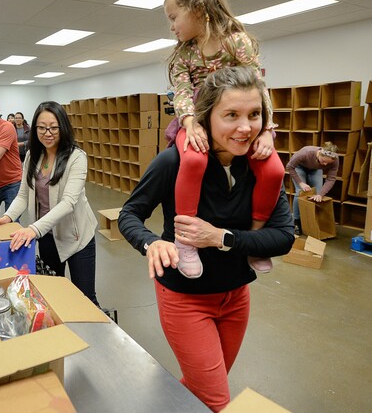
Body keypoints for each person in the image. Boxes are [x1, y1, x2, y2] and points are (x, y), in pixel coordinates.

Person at [118, 67, 294, 412]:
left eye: (254, 115)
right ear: (206, 117)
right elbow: (129, 214)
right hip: (185, 298)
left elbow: (283, 238)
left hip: (236, 296)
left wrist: (220, 238)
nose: (245, 127)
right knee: (215, 398)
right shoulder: (173, 161)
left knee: (201, 389)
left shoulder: (261, 168)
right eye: (231, 115)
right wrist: (150, 242)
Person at [164, 0, 284, 277]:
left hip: (236, 123)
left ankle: (256, 238)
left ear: (198, 11)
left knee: (273, 169)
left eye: (174, 16)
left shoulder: (236, 43)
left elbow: (259, 87)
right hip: (194, 122)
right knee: (192, 160)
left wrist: (267, 130)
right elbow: (180, 92)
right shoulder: (183, 54)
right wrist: (190, 122)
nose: (172, 26)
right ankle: (186, 241)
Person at [0, 102, 100, 306]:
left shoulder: (76, 157)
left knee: (86, 299)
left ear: (63, 127)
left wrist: (33, 229)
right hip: (47, 237)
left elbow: (68, 202)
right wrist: (8, 217)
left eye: (53, 127)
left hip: (77, 238)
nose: (47, 133)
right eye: (41, 127)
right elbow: (23, 195)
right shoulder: (33, 155)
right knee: (53, 294)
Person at [286, 142, 339, 235]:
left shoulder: (335, 160)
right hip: (299, 167)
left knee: (317, 194)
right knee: (301, 192)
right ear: (320, 153)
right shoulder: (306, 153)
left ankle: (311, 221)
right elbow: (290, 167)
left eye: (328, 163)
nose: (325, 164)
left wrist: (320, 194)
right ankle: (296, 221)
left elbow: (331, 179)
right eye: (323, 161)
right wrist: (301, 183)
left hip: (315, 169)